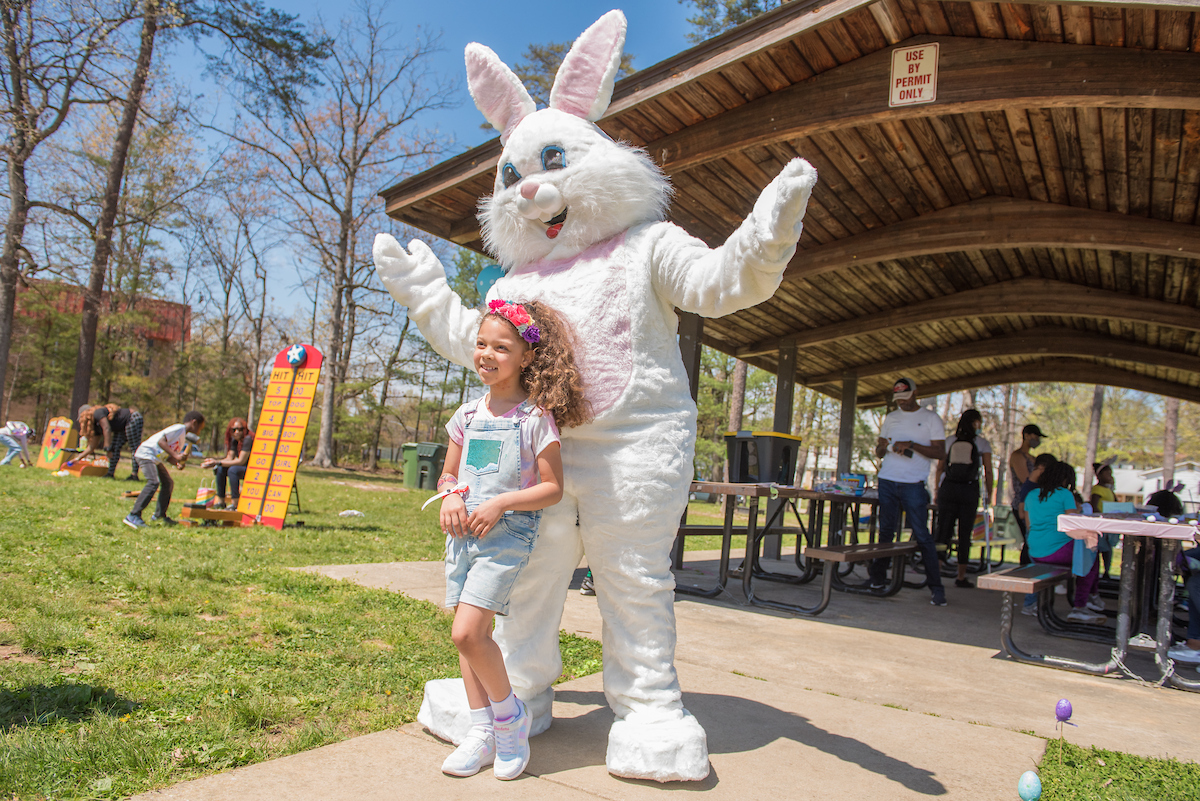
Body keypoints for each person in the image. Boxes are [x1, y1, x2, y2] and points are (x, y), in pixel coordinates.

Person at [434, 299, 589, 780]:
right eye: (481, 344)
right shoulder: (465, 415)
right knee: (468, 639)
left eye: (501, 347)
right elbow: (447, 475)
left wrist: (501, 502)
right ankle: (482, 732)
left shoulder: (534, 418)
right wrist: (451, 497)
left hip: (506, 538)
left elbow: (551, 488)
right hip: (462, 537)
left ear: (525, 358)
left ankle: (509, 720)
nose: (487, 354)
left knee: (467, 632)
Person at [869, 377, 947, 606]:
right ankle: (878, 578)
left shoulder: (931, 418)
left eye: (904, 398)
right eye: (897, 399)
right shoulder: (891, 418)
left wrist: (911, 445)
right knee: (886, 532)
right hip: (887, 480)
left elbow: (940, 453)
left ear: (915, 393)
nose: (901, 403)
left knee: (922, 534)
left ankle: (936, 587)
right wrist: (883, 447)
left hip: (914, 482)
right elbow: (879, 451)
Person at [1023, 460, 1105, 624]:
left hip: (1035, 551)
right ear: (1066, 479)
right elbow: (1072, 523)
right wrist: (1080, 510)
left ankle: (1032, 603)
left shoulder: (1031, 495)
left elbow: (1029, 525)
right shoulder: (1064, 494)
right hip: (1058, 551)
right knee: (1091, 554)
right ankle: (1082, 604)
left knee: (1085, 553)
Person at [934, 409, 994, 588]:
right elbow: (988, 470)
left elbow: (940, 467)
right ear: (976, 423)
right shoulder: (982, 443)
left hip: (948, 488)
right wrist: (989, 494)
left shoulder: (950, 441)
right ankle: (961, 575)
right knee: (964, 533)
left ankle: (937, 570)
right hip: (969, 489)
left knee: (943, 530)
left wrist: (938, 490)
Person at [123, 411, 205, 530]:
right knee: (153, 482)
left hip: (155, 458)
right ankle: (133, 515)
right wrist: (176, 456)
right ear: (194, 423)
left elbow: (168, 455)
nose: (199, 432)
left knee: (168, 483)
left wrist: (176, 462)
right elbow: (161, 442)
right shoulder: (179, 429)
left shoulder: (182, 439)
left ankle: (159, 515)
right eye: (200, 429)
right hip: (146, 454)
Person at [1015, 452, 1058, 616]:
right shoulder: (1030, 488)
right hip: (1035, 531)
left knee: (1041, 567)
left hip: (1038, 530)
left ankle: (1036, 603)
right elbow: (1021, 512)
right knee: (1038, 568)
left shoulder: (1035, 485)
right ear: (1042, 469)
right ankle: (1029, 603)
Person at [1009, 423, 1047, 565]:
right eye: (1035, 436)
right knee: (1029, 538)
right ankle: (1025, 569)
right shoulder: (1018, 456)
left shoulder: (1033, 458)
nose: (1037, 440)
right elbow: (1025, 479)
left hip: (1036, 503)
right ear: (1026, 436)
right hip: (1022, 502)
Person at [77, 403, 144, 480]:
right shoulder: (96, 425)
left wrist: (107, 448)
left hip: (132, 418)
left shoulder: (97, 413)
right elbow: (92, 446)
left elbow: (107, 429)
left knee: (134, 447)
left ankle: (134, 475)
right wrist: (78, 458)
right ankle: (110, 474)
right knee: (115, 448)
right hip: (121, 426)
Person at [202, 418, 254, 508]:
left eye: (240, 429)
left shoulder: (248, 439)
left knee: (233, 470)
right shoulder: (234, 440)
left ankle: (235, 503)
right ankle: (221, 501)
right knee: (220, 468)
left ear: (244, 430)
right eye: (234, 430)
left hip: (252, 469)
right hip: (241, 466)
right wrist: (213, 462)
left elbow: (241, 461)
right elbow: (229, 458)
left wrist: (217, 462)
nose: (237, 432)